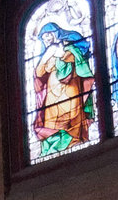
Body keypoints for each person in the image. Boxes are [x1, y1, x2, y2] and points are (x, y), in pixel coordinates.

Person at [32, 19, 95, 156]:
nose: (46, 39)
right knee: (52, 123)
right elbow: (39, 72)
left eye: (48, 35)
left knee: (73, 117)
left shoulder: (70, 47)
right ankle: (54, 150)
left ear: (55, 34)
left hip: (70, 90)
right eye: (43, 37)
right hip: (52, 95)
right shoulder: (47, 53)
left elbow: (76, 59)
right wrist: (46, 56)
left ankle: (76, 143)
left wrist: (60, 54)